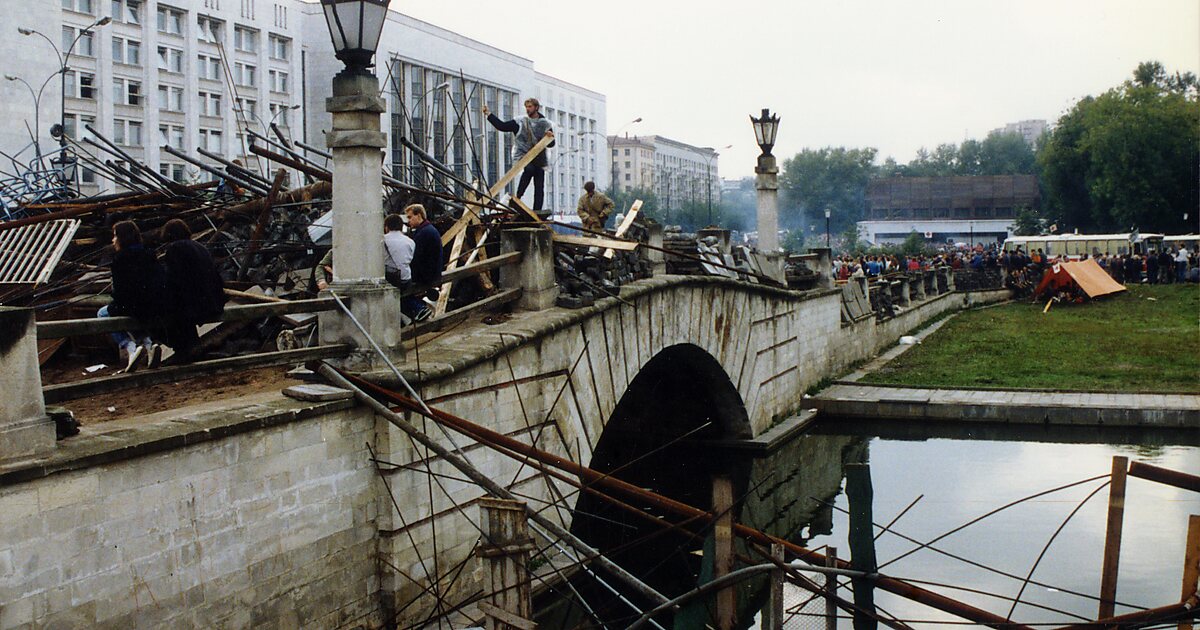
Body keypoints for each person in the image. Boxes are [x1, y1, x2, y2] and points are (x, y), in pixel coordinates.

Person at [99, 220, 167, 372]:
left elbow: (121, 291)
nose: (113, 240)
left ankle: (131, 349)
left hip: (134, 306)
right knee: (136, 314)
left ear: (122, 238)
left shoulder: (120, 259)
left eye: (115, 236)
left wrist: (116, 304)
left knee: (102, 314)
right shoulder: (149, 254)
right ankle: (149, 346)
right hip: (155, 304)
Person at [161, 219, 226, 363]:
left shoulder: (175, 249)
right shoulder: (199, 247)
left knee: (170, 310)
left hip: (196, 306)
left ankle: (184, 351)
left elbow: (174, 281)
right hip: (213, 301)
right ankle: (193, 348)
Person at [483, 98, 555, 213]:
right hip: (523, 156)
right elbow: (502, 126)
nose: (527, 109)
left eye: (530, 107)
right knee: (529, 169)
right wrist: (489, 114)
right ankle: (518, 196)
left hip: (539, 157)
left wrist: (549, 136)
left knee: (539, 182)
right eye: (526, 107)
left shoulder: (544, 123)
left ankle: (537, 210)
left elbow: (551, 144)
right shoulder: (521, 122)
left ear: (536, 108)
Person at [404, 204, 442, 322]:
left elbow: (416, 257)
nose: (408, 221)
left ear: (418, 215)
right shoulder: (428, 230)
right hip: (433, 272)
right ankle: (418, 311)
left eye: (410, 217)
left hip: (426, 274)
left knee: (399, 289)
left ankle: (420, 309)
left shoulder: (423, 233)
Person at [383, 213, 415, 291]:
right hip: (406, 279)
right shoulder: (410, 241)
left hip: (391, 279)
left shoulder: (382, 240)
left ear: (386, 227)